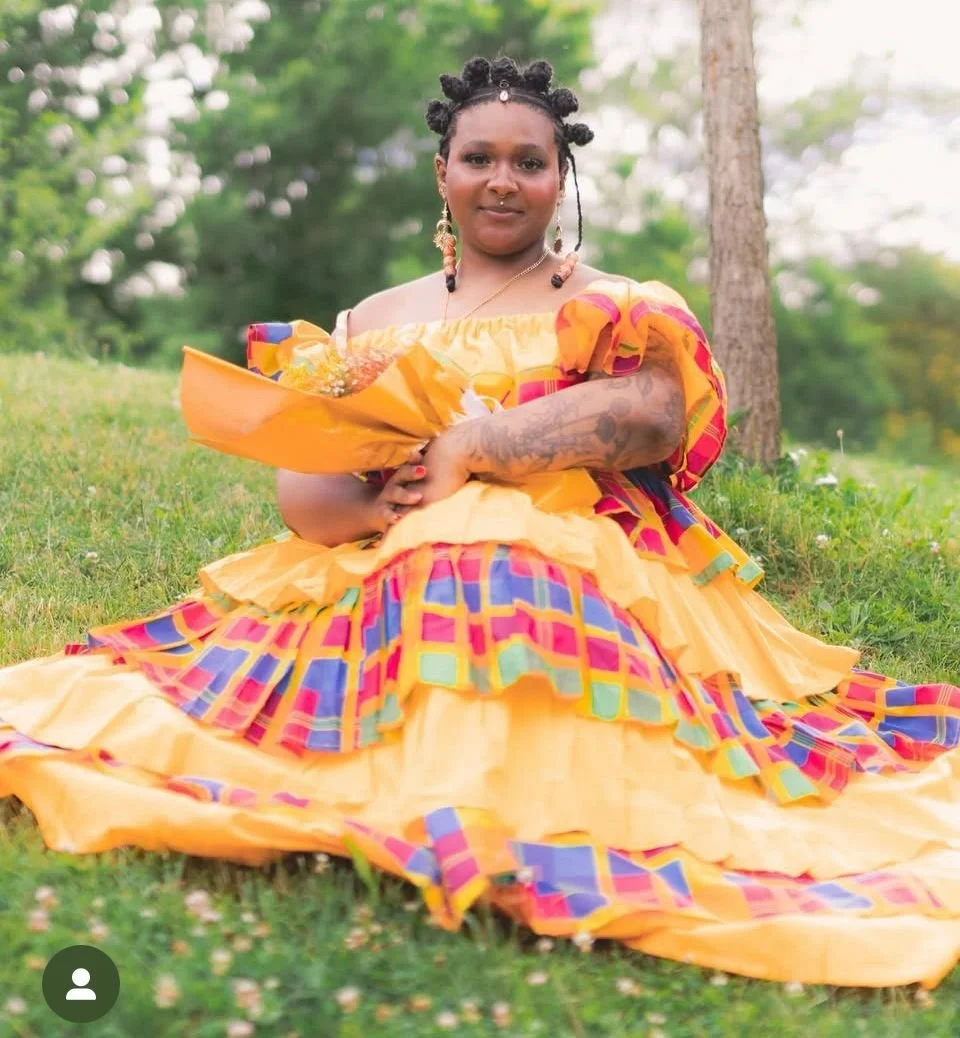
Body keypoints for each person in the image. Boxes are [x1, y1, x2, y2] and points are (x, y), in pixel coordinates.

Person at [1, 56, 958, 990]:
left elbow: (653, 418)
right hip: (390, 557)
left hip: (581, 557)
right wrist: (375, 504)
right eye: (480, 158)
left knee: (490, 554)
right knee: (432, 552)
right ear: (442, 173)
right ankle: (426, 797)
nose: (503, 181)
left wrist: (476, 449)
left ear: (561, 177)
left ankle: (508, 813)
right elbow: (309, 473)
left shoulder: (610, 306)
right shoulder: (375, 318)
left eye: (529, 162)